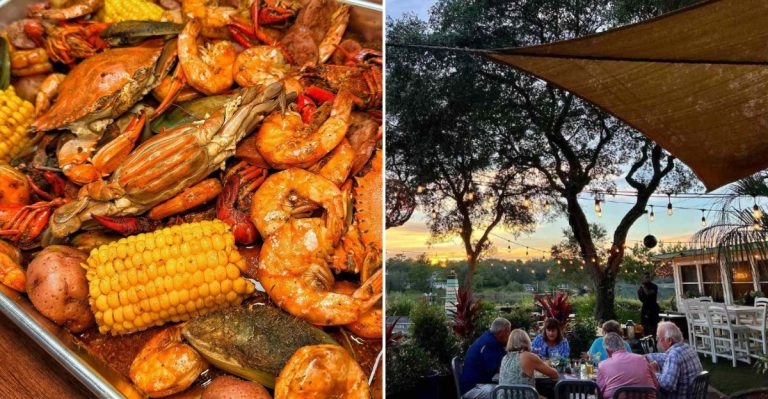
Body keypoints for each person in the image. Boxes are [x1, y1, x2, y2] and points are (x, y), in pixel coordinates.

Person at [646, 322, 703, 399]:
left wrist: (655, 372)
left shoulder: (674, 355)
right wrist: (645, 357)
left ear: (669, 340)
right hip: (695, 396)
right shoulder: (687, 347)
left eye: (659, 338)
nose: (658, 342)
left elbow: (667, 386)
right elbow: (664, 357)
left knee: (646, 393)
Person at [459, 318, 512, 399]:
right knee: (510, 393)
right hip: (473, 388)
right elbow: (501, 368)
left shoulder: (491, 339)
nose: (509, 335)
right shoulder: (490, 343)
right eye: (508, 331)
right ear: (500, 332)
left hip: (476, 385)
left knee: (508, 390)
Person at [597, 333, 659, 399]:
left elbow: (599, 392)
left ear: (607, 351)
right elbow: (656, 385)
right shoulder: (642, 359)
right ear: (623, 345)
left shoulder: (603, 365)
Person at [638, 272, 661, 338]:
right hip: (645, 308)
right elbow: (641, 298)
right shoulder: (640, 288)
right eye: (645, 277)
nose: (647, 279)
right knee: (645, 327)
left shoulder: (654, 286)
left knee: (654, 327)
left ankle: (655, 341)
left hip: (653, 308)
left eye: (648, 277)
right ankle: (646, 341)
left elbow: (648, 293)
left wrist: (643, 287)